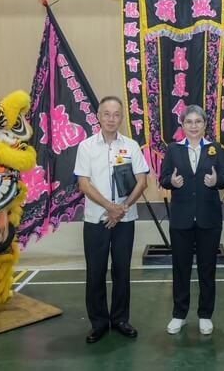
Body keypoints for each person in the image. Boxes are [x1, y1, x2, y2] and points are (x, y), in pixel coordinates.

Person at [74, 96, 149, 344]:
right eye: (106, 114)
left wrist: (122, 209)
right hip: (96, 220)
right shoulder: (86, 147)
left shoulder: (131, 146)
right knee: (95, 272)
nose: (111, 119)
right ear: (98, 116)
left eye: (116, 114)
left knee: (122, 271)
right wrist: (110, 208)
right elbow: (84, 183)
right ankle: (98, 323)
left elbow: (142, 181)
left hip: (124, 221)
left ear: (122, 118)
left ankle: (120, 320)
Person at [159, 105, 224, 336]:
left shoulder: (215, 148)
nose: (193, 126)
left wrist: (217, 181)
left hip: (209, 219)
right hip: (181, 219)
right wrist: (171, 182)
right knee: (180, 268)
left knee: (207, 269)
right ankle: (179, 314)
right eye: (188, 121)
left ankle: (205, 315)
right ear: (182, 125)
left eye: (198, 121)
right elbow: (163, 177)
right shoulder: (173, 149)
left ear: (205, 124)